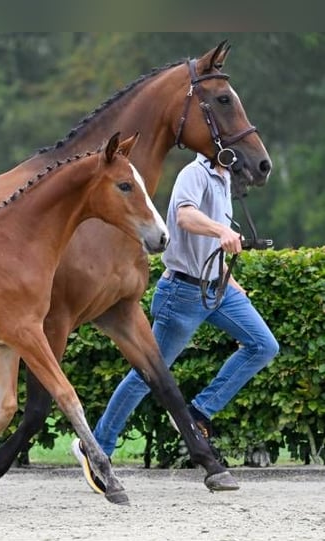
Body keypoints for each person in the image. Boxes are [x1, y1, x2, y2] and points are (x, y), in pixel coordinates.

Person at [71, 152, 279, 494]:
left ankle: (199, 412)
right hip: (182, 293)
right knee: (146, 375)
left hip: (219, 288)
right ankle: (96, 446)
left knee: (263, 345)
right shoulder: (193, 173)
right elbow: (185, 217)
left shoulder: (224, 177)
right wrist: (221, 230)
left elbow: (211, 239)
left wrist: (226, 272)